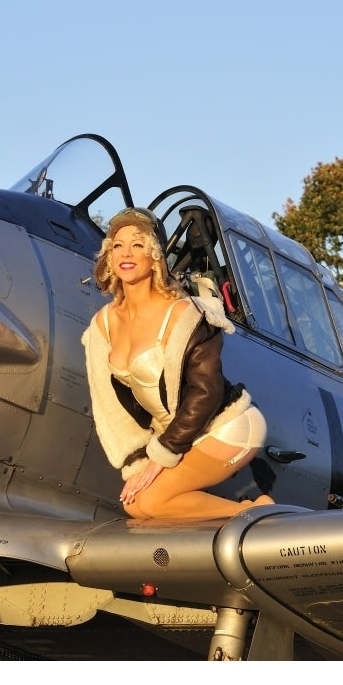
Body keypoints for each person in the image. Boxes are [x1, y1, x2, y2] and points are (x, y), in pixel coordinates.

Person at [81, 206, 273, 520]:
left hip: (225, 424)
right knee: (136, 505)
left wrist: (160, 458)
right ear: (109, 257)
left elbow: (206, 392)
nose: (126, 252)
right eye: (117, 245)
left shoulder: (185, 314)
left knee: (153, 502)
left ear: (155, 255)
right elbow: (113, 408)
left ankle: (259, 517)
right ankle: (248, 520)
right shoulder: (102, 326)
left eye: (138, 244)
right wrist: (139, 459)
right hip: (179, 436)